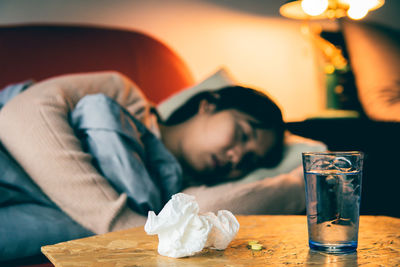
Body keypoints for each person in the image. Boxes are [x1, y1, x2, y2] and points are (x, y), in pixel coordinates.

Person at [0, 71, 294, 261]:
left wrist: (303, 182)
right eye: (243, 134)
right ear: (209, 104)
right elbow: (20, 115)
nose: (237, 157)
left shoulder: (177, 195)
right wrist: (122, 225)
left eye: (250, 160)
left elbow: (215, 210)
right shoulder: (124, 97)